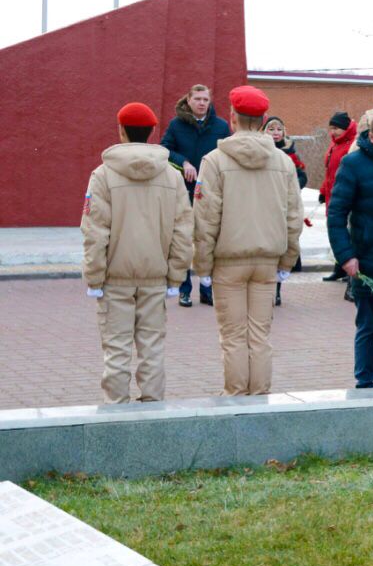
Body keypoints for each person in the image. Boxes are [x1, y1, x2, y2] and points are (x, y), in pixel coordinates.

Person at [193, 86, 304, 395]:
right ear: (264, 118)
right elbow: (294, 216)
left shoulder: (214, 160)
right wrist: (287, 260)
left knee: (233, 336)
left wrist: (202, 264)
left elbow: (205, 218)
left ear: (232, 117)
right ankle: (259, 399)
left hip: (229, 261)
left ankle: (236, 397)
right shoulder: (283, 162)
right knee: (260, 335)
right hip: (267, 261)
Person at [81, 102, 193, 404]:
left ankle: (116, 416)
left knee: (116, 350)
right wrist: (176, 276)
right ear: (152, 132)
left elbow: (94, 232)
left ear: (121, 130)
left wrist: (94, 277)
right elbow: (183, 231)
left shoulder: (103, 175)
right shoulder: (172, 176)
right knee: (152, 349)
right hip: (155, 278)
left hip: (115, 278)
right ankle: (153, 413)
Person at [327, 112, 373, 388]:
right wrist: (345, 256)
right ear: (371, 137)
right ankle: (364, 381)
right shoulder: (352, 164)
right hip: (366, 262)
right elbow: (336, 214)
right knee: (368, 327)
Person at [160, 84, 231, 307]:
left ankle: (207, 289)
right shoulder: (176, 124)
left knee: (208, 240)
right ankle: (184, 289)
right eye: (198, 99)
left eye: (205, 100)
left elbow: (228, 154)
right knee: (183, 242)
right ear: (188, 101)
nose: (202, 103)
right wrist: (184, 163)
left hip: (211, 192)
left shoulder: (220, 126)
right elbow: (165, 150)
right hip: (184, 191)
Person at [263, 116, 307, 306]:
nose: (275, 133)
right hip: (264, 208)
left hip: (284, 209)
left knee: (282, 249)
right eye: (271, 129)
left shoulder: (291, 154)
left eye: (278, 129)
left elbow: (302, 177)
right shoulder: (260, 152)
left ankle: (277, 289)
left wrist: (290, 186)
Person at [321, 111, 357, 288]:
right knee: (335, 231)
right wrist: (322, 190)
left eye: (336, 128)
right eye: (331, 128)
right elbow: (329, 171)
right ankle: (339, 267)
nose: (333, 132)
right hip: (332, 194)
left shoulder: (351, 145)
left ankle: (344, 266)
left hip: (344, 195)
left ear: (345, 128)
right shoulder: (334, 145)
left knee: (345, 233)